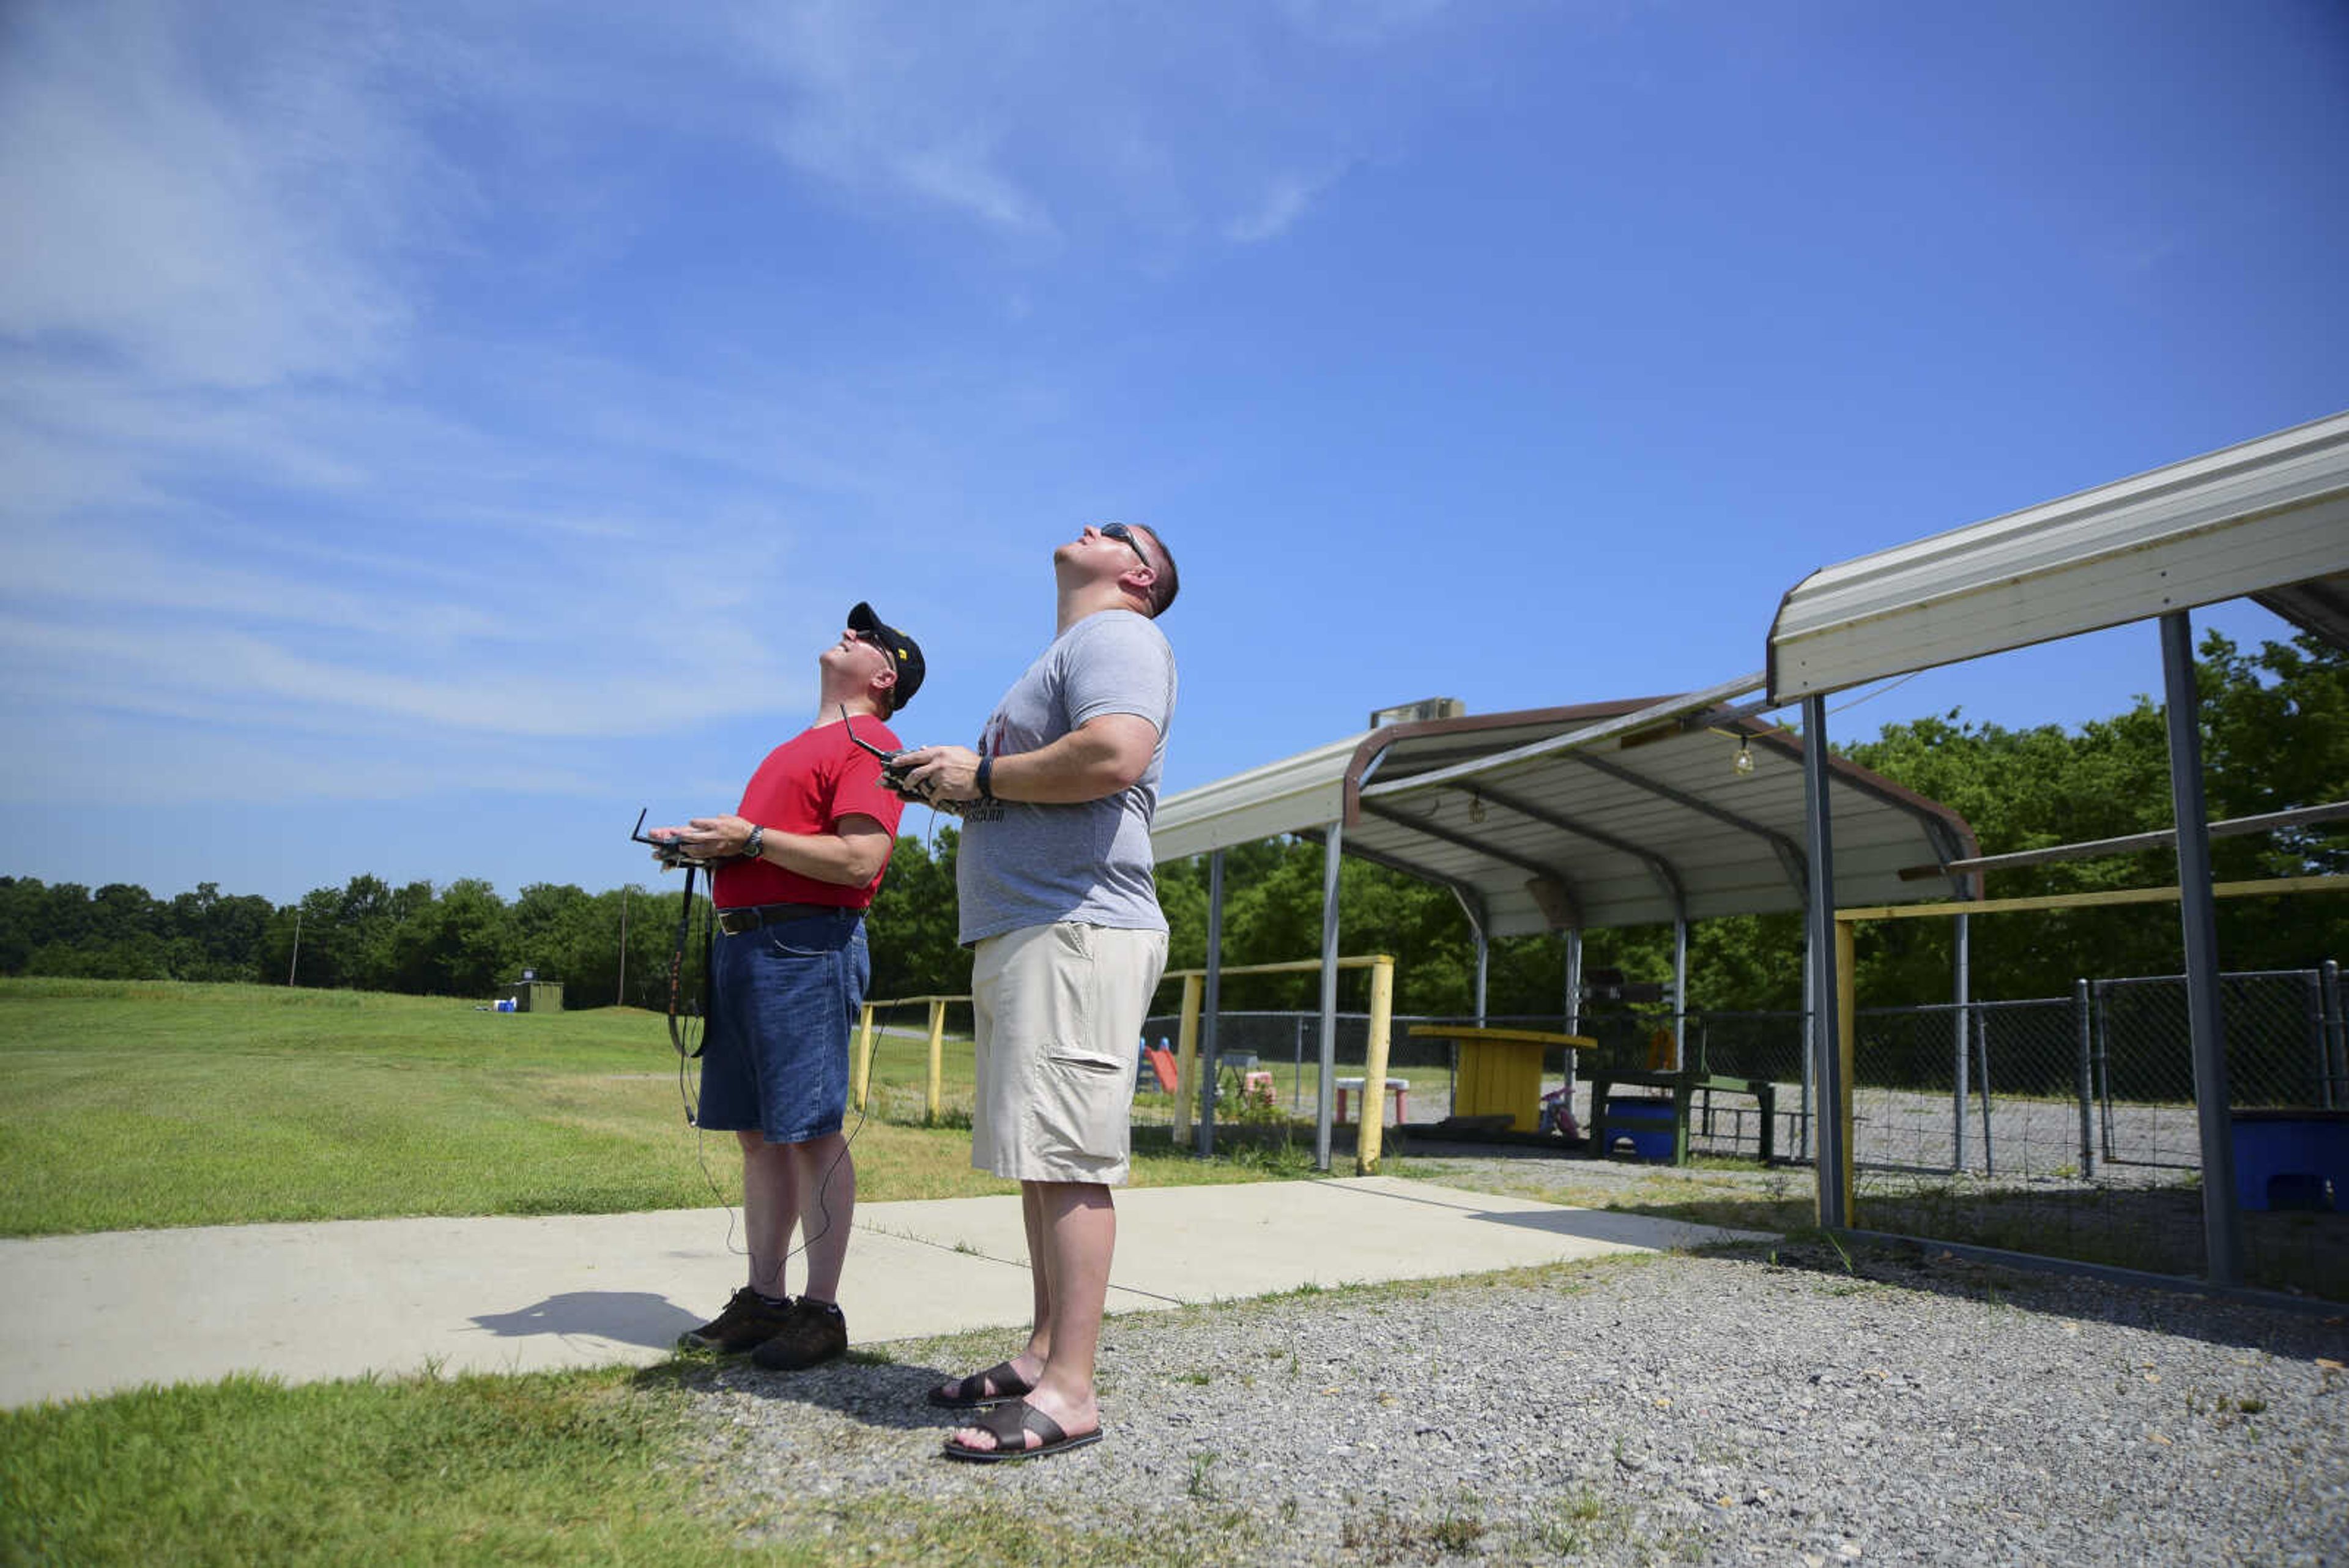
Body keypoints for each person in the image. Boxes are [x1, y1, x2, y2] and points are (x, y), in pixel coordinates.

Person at [897, 521, 1179, 1462]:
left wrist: (978, 772)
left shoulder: (1119, 636)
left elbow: (1114, 753)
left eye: (1118, 530)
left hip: (1077, 927)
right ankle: (1042, 1351)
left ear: (1137, 575)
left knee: (1069, 1154)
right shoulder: (1064, 652)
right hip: (1034, 928)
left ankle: (1073, 1390)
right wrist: (956, 784)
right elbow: (1044, 777)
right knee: (1042, 1154)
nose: (1090, 526)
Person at [654, 602, 925, 1371]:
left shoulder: (873, 740)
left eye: (868, 637)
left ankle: (821, 1310)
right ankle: (764, 1299)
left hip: (806, 946)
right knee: (756, 1131)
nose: (851, 632)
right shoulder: (789, 750)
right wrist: (708, 851)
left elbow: (859, 862)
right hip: (746, 945)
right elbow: (776, 850)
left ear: (883, 676)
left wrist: (753, 838)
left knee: (808, 1130)